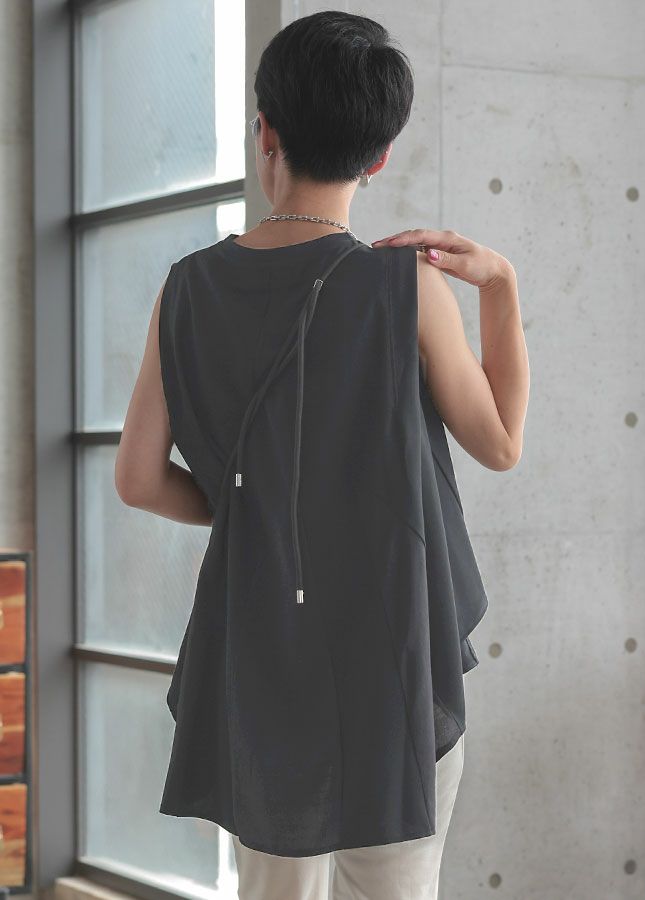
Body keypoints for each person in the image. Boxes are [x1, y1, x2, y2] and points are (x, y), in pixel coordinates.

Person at [115, 10, 529, 900]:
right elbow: (500, 442)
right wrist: (499, 284)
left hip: (262, 646)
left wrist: (256, 508)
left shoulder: (187, 288)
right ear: (379, 155)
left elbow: (138, 479)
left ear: (265, 130)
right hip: (392, 649)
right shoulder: (406, 285)